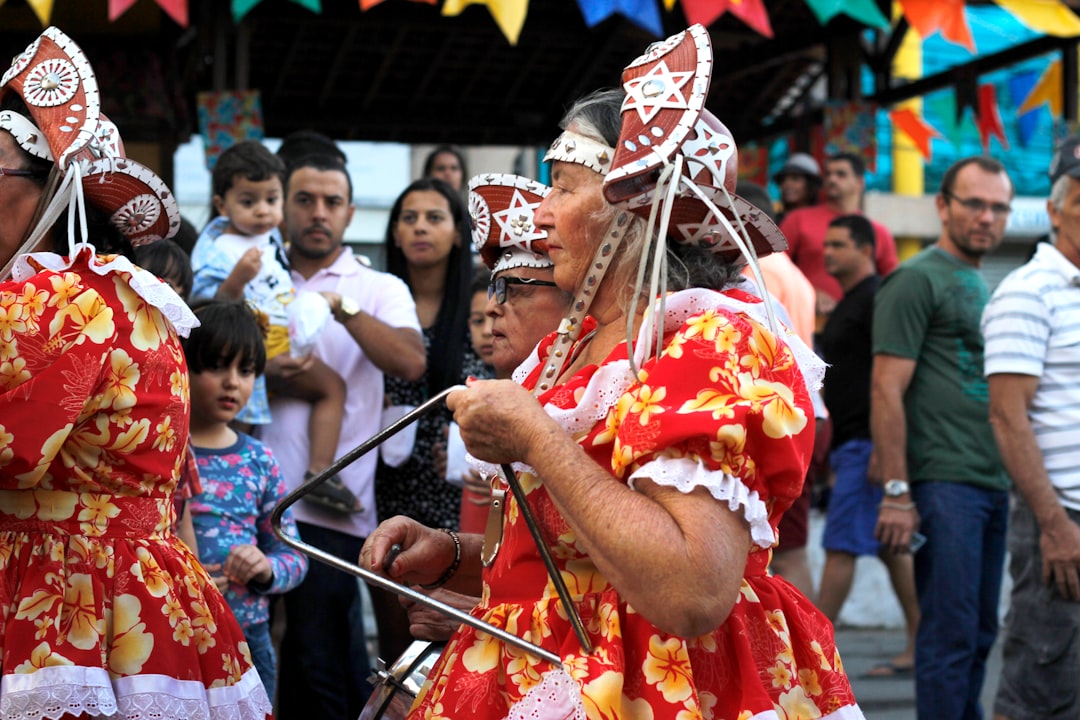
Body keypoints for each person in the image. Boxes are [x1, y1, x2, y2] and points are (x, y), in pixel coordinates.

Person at [360, 26, 862, 719]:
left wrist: (538, 439)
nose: (538, 215)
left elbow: (689, 591)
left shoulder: (714, 342)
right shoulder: (580, 349)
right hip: (542, 669)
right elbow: (581, 561)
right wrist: (453, 554)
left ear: (633, 209)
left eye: (562, 186)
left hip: (657, 689)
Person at [0, 26, 271, 717]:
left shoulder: (56, 300)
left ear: (54, 190)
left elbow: (10, 449)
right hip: (136, 592)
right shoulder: (128, 295)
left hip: (62, 593)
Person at [256, 152, 426, 720]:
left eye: (332, 202)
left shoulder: (378, 287)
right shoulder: (255, 276)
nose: (318, 213)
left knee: (323, 662)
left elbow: (410, 361)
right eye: (304, 200)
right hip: (246, 503)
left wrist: (339, 306)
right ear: (282, 208)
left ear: (351, 212)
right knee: (257, 663)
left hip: (330, 510)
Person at [403, 172, 573, 641]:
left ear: (576, 300)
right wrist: (450, 553)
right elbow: (528, 562)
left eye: (515, 288)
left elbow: (602, 590)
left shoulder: (597, 401)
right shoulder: (531, 393)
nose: (494, 308)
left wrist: (477, 619)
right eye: (494, 290)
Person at [872, 156, 1012, 719]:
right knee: (950, 635)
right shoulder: (916, 278)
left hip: (992, 480)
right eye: (974, 203)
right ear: (942, 206)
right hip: (943, 482)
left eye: (998, 207)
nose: (987, 218)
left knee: (980, 633)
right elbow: (885, 387)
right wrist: (898, 490)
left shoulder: (979, 281)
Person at [190, 141, 353, 511]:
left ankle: (319, 473)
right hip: (239, 348)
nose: (263, 211)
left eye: (272, 200)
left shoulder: (271, 239)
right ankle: (211, 494)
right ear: (221, 205)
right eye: (249, 202)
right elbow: (203, 310)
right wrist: (236, 280)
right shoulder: (216, 249)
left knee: (328, 388)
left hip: (277, 340)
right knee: (231, 426)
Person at [370, 177, 487, 663]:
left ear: (459, 233)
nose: (421, 228)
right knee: (396, 631)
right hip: (384, 483)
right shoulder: (376, 298)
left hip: (457, 488)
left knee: (454, 634)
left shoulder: (479, 304)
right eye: (409, 218)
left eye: (435, 217)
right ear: (394, 232)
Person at [983, 136, 1080, 720]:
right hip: (1063, 518)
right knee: (1043, 688)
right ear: (1055, 209)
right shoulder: (1027, 292)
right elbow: (1006, 416)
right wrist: (1054, 527)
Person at [183, 300, 308, 701]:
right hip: (178, 633)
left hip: (248, 636)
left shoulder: (258, 459)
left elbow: (294, 553)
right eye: (217, 366)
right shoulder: (162, 450)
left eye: (247, 370)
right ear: (181, 365)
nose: (232, 382)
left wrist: (265, 568)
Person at [815, 214, 920, 676]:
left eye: (838, 244)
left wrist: (884, 447)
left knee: (841, 546)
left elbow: (891, 377)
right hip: (854, 441)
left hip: (866, 442)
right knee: (892, 547)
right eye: (826, 244)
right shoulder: (849, 301)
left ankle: (809, 656)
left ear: (865, 249)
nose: (827, 252)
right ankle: (923, 640)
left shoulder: (877, 298)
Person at [736, 180, 819, 597]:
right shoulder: (793, 272)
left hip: (779, 415)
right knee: (789, 546)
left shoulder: (758, 269)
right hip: (802, 411)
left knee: (781, 552)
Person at [780, 152, 898, 322]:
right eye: (828, 174)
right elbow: (775, 269)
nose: (832, 179)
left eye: (841, 174)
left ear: (859, 183)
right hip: (807, 324)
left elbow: (892, 285)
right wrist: (810, 290)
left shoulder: (878, 232)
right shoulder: (797, 219)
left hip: (862, 330)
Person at [772, 151, 822, 222]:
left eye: (795, 178)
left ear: (811, 185)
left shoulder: (822, 220)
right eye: (783, 180)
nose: (787, 184)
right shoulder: (773, 222)